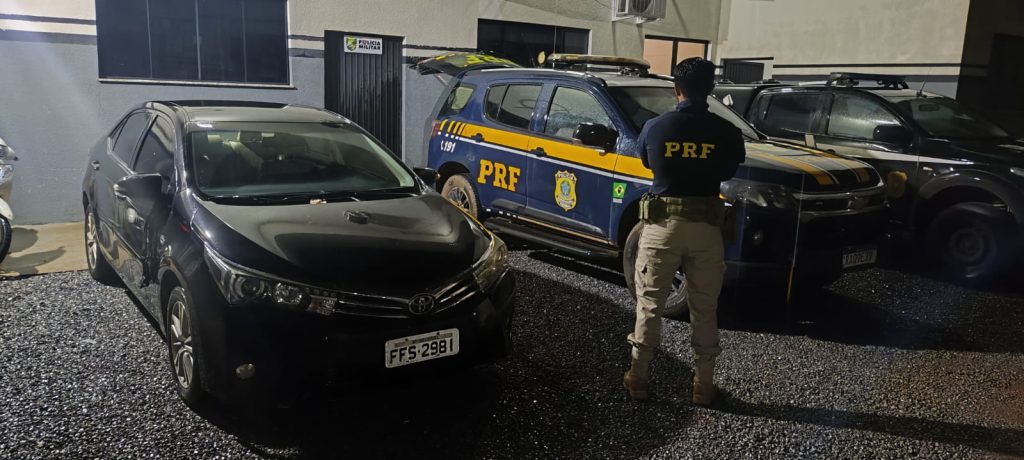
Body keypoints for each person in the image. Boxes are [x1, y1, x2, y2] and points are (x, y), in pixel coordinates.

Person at [623, 57, 746, 405]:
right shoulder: (727, 131)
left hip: (662, 227)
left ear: (676, 88)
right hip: (706, 228)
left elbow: (647, 162)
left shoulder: (656, 127)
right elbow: (730, 167)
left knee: (649, 304)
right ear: (711, 89)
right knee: (704, 308)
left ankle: (638, 378)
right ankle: (703, 386)